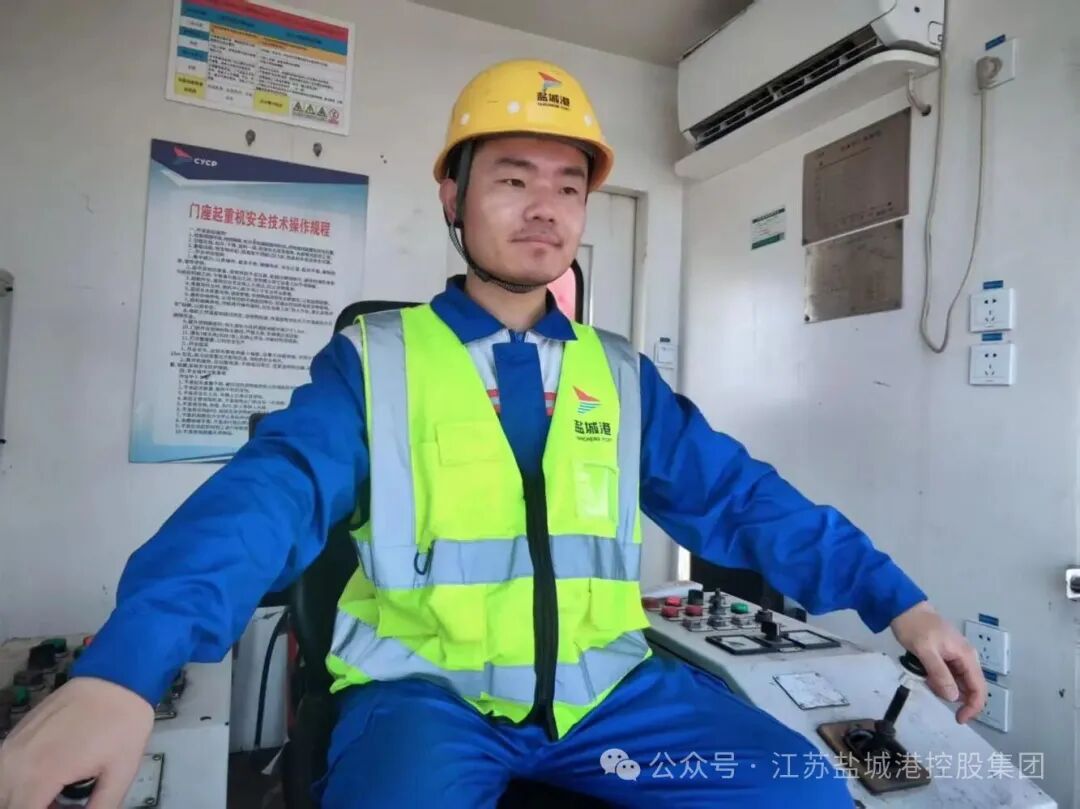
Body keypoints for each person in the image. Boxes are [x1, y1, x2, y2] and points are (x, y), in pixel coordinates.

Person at [0, 59, 986, 809]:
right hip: (426, 700)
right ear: (453, 196)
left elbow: (741, 498)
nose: (545, 208)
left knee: (799, 791)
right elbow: (268, 494)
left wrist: (897, 600)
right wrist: (124, 668)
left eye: (568, 185)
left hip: (612, 697)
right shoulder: (374, 362)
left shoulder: (618, 374)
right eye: (513, 179)